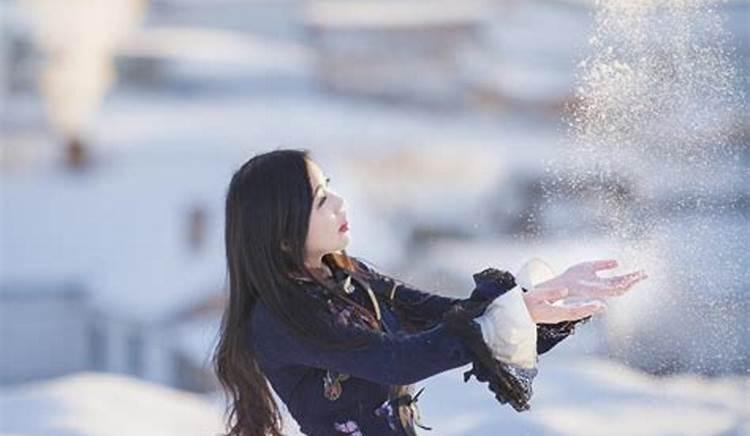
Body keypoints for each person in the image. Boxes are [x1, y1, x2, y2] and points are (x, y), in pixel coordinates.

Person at [212, 149, 647, 436]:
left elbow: (446, 316)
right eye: (321, 199)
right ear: (282, 232)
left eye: (332, 187)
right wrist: (514, 315)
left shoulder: (347, 277)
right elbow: (396, 361)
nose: (341, 204)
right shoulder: (282, 318)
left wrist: (536, 300)